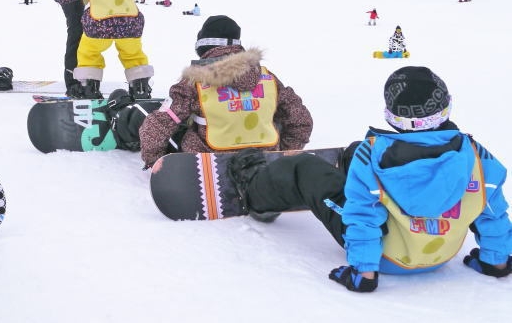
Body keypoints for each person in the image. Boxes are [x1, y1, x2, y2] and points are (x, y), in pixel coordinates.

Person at [226, 66, 512, 292]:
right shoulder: (476, 156)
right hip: (441, 253)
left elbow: (363, 216)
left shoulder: (372, 154)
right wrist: (496, 262)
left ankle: (253, 192)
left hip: (387, 258)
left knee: (303, 167)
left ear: (392, 116)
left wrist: (364, 273)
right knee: (354, 154)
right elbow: (492, 212)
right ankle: (354, 180)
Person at [128, 15, 312, 166]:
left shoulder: (195, 80)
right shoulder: (269, 78)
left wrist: (155, 161)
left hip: (208, 160)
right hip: (262, 156)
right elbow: (301, 120)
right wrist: (282, 152)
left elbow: (156, 127)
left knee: (174, 122)